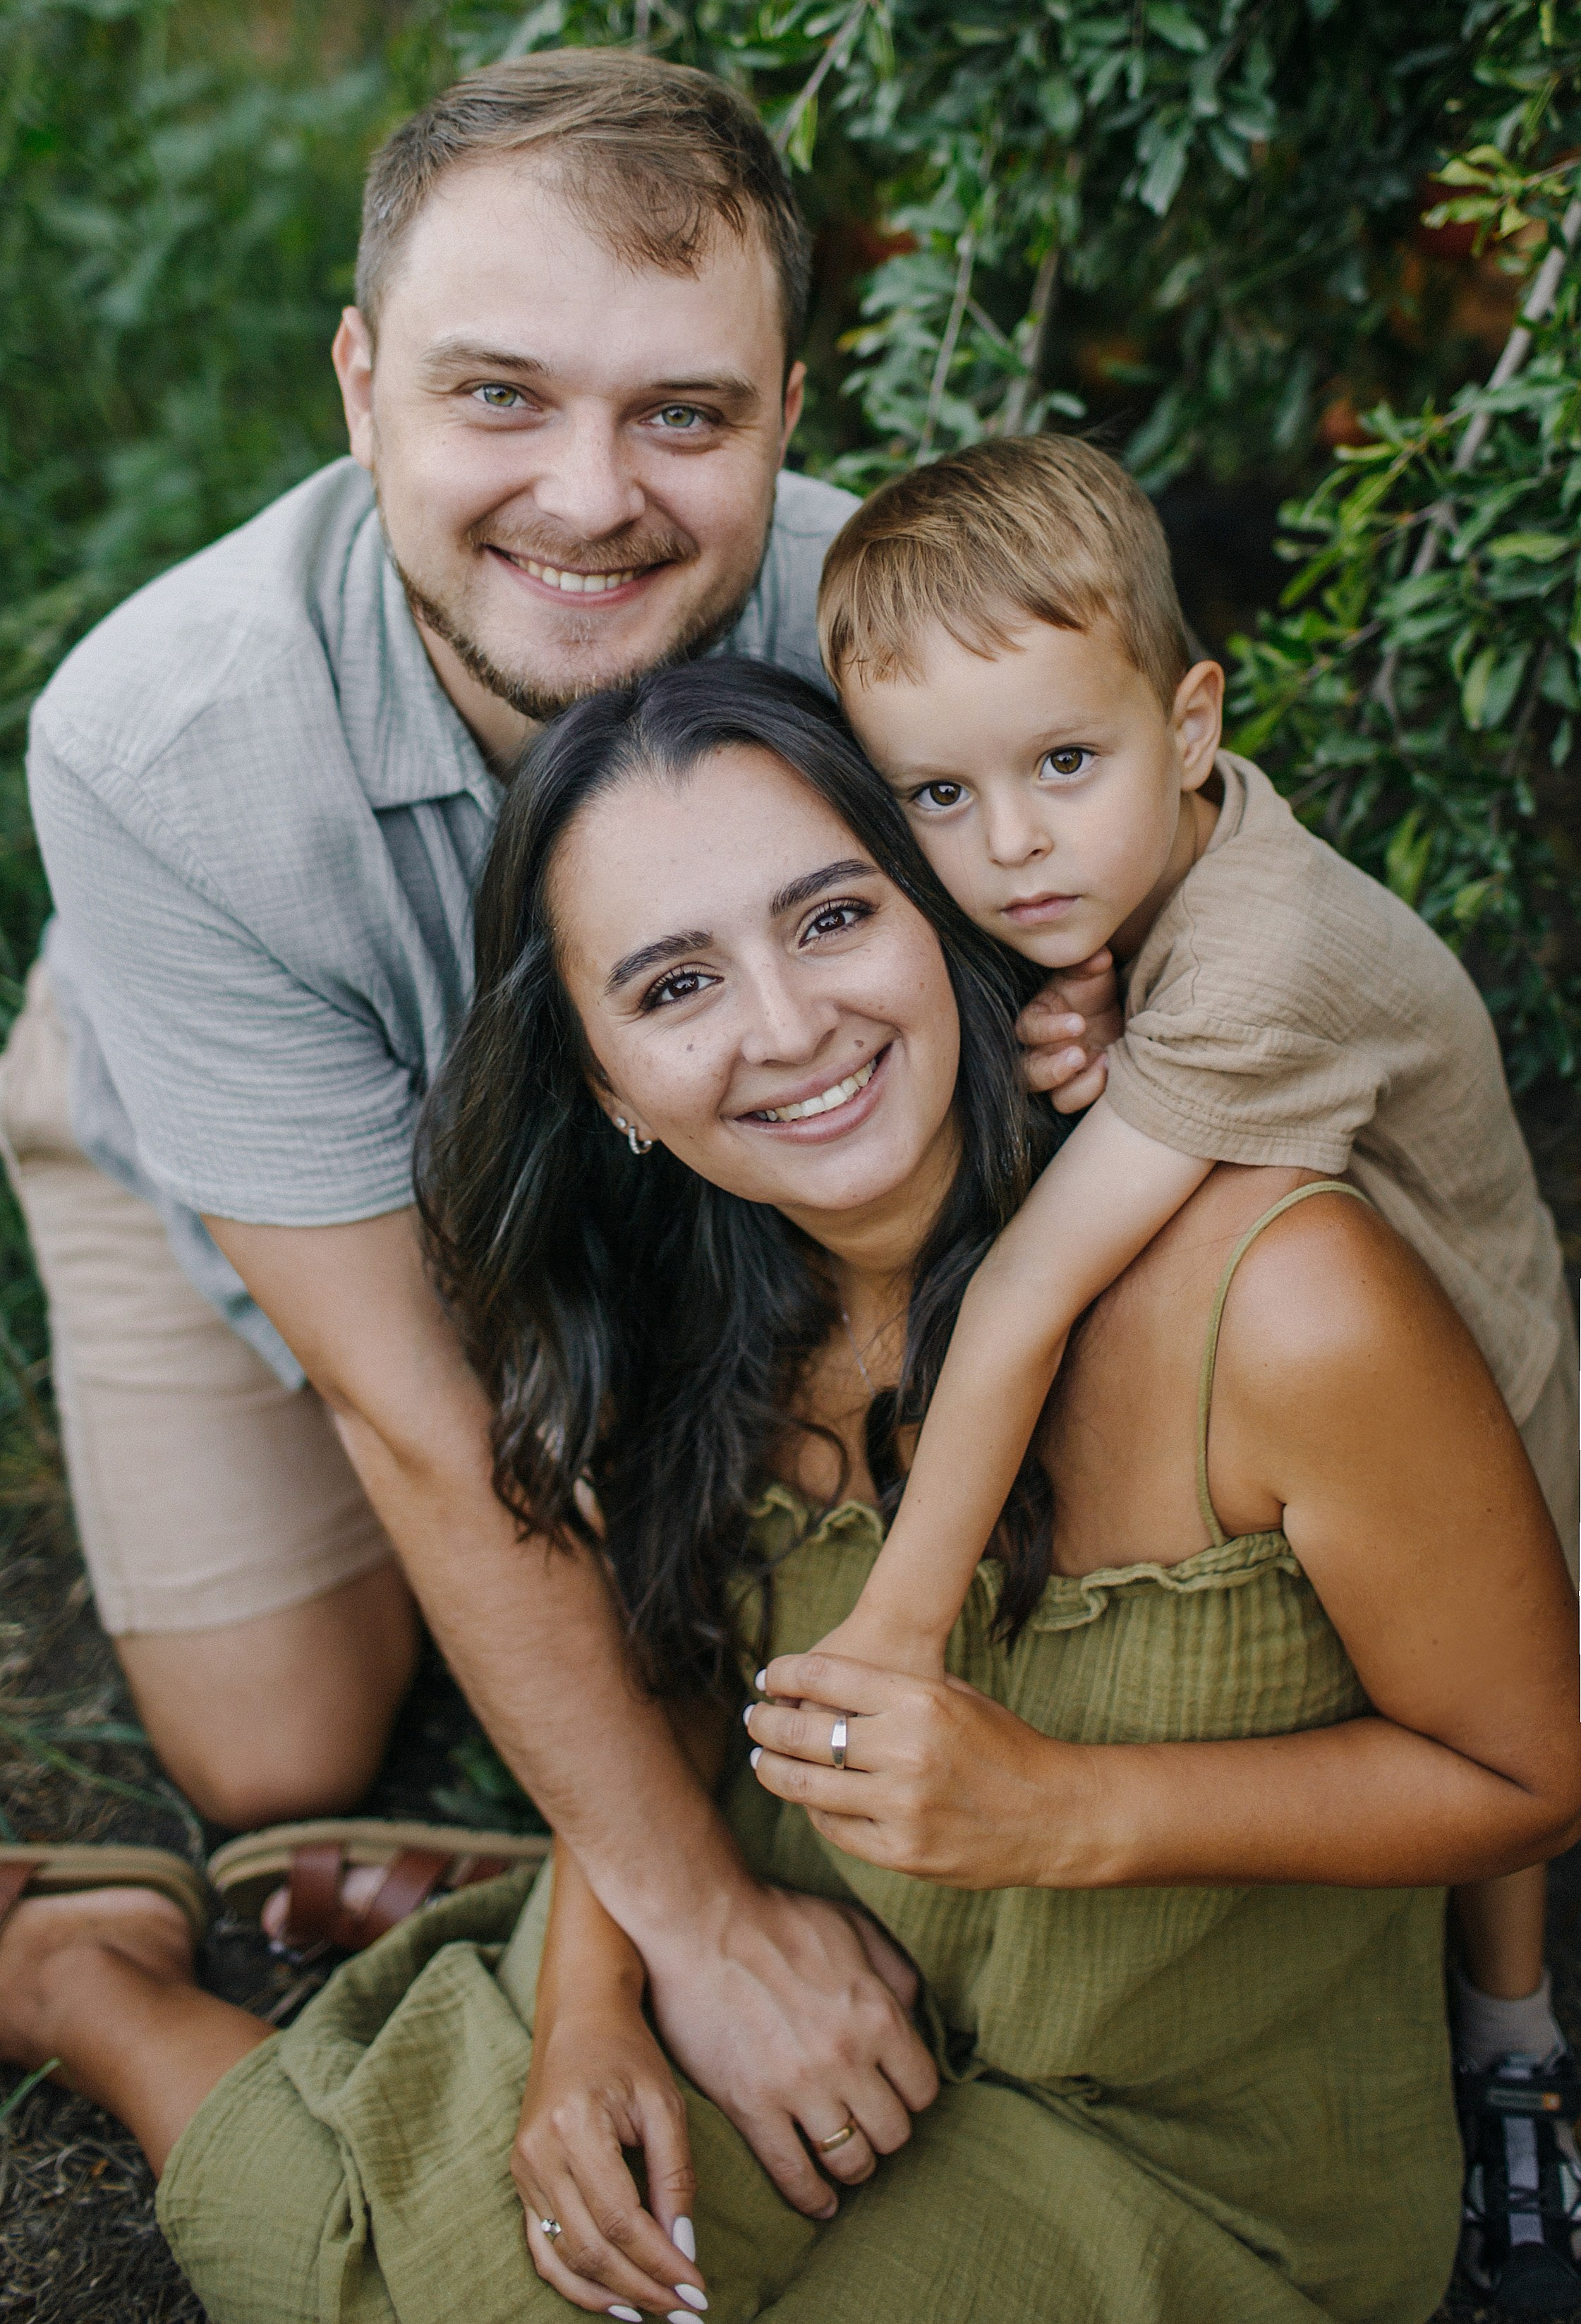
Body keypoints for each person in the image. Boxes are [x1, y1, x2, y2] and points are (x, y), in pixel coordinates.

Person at [4, 660, 1576, 2324]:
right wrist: (597, 2004)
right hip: (814, 1963)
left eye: (830, 920)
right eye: (673, 986)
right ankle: (95, 1983)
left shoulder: (1277, 1298)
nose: (784, 1025)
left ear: (949, 916)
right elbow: (671, 1677)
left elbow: (1526, 1774)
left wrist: (1061, 1808)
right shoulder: (689, 1306)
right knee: (426, 2286)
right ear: (606, 1082)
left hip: (1177, 2140)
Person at [1, 52, 1106, 2202]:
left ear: (788, 410)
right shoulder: (154, 741)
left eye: (682, 414)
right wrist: (691, 1925)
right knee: (277, 1748)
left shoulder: (899, 631)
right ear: (360, 384)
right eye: (498, 396)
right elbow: (420, 1409)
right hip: (253, 1150)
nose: (590, 498)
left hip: (679, 1151)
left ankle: (561, 1729)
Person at [806, 435, 1581, 2306]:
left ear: (1190, 720)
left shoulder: (1267, 955)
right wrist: (1103, 986)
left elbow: (1025, 1302)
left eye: (1064, 766)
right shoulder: (1169, 855)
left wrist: (891, 1630)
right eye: (940, 795)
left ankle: (1513, 2052)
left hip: (1476, 1353)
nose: (1011, 850)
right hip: (1327, 1325)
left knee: (1500, 1760)